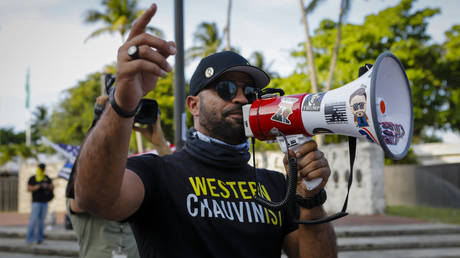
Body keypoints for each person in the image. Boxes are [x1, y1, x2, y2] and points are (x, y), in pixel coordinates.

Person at [74, 4, 337, 258]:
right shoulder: (158, 174)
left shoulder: (279, 186)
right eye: (226, 89)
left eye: (250, 92)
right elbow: (92, 198)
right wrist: (124, 101)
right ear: (194, 105)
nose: (242, 100)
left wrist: (310, 201)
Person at [66, 95, 171, 258]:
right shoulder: (84, 195)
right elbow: (81, 191)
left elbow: (173, 187)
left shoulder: (134, 194)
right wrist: (99, 123)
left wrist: (160, 144)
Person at [26, 163, 54, 244]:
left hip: (44, 202)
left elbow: (52, 186)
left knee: (41, 222)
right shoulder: (33, 178)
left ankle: (40, 239)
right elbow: (29, 188)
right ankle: (29, 239)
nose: (41, 170)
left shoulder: (46, 178)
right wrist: (39, 186)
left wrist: (47, 186)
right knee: (33, 221)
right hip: (36, 203)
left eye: (43, 169)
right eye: (40, 168)